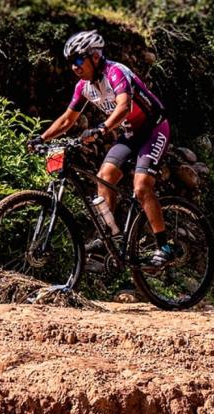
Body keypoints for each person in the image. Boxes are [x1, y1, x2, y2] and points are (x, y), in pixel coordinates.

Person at [26, 30, 172, 268]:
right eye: (70, 62)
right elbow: (66, 120)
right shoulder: (84, 86)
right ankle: (111, 236)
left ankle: (164, 246)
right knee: (104, 178)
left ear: (94, 56)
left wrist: (102, 129)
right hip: (130, 134)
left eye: (78, 60)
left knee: (142, 185)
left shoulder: (116, 72)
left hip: (154, 129)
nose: (74, 66)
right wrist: (41, 138)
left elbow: (124, 107)